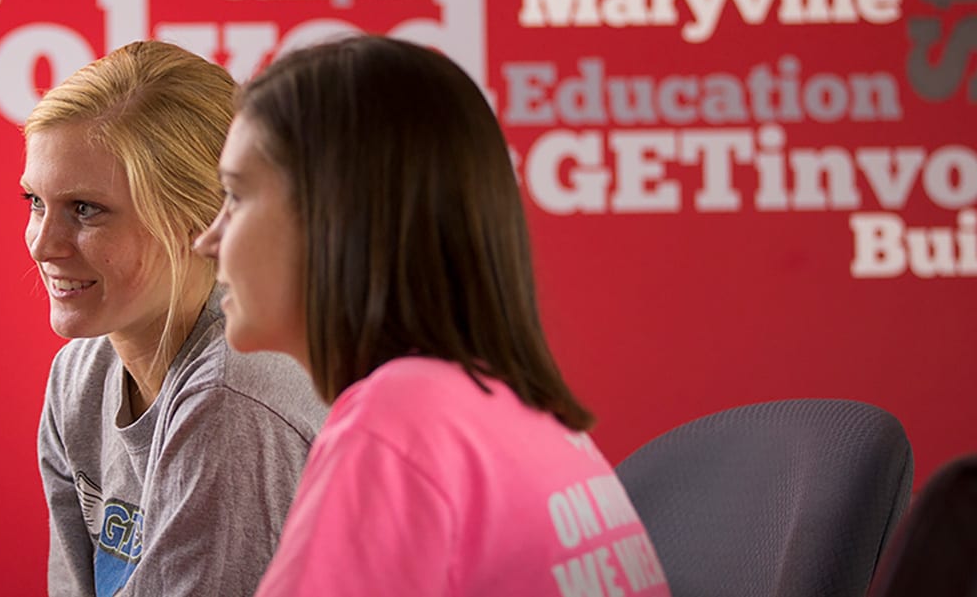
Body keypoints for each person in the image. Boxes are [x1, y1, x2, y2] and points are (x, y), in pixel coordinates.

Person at [193, 35, 673, 597]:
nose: (207, 239)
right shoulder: (515, 408)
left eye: (236, 197)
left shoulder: (398, 421)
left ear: (340, 217)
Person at [23, 41, 329, 597]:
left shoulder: (236, 394)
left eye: (86, 210)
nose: (44, 245)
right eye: (35, 202)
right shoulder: (78, 376)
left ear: (200, 218)